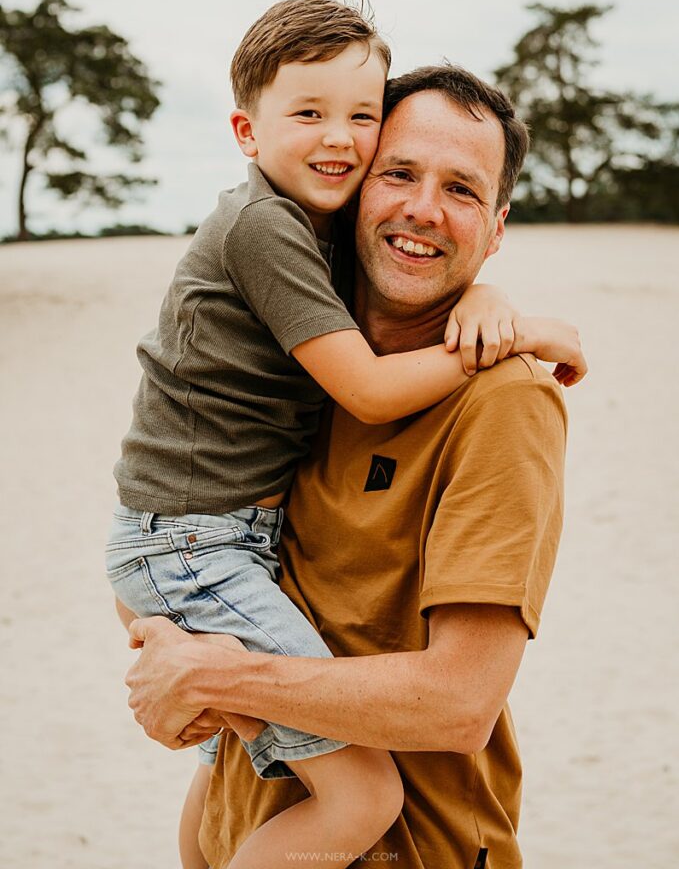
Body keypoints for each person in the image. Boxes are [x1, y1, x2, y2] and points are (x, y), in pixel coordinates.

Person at [125, 63, 584, 869]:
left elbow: (457, 702)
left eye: (462, 191)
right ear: (349, 189)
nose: (421, 209)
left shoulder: (503, 404)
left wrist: (214, 680)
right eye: (397, 173)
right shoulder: (302, 370)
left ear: (497, 226)